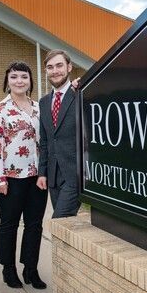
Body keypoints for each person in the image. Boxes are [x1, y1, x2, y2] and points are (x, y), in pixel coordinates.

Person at [0, 61, 47, 289]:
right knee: (9, 224)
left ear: (30, 80)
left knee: (34, 224)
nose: (19, 81)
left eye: (24, 76)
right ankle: (8, 269)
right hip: (10, 178)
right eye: (14, 77)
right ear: (7, 81)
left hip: (37, 177)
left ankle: (31, 269)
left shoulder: (38, 108)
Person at [36, 49, 81, 218]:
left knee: (59, 220)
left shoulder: (81, 93)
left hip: (75, 174)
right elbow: (46, 140)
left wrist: (87, 83)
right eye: (50, 67)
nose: (55, 71)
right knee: (66, 226)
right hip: (53, 176)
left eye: (59, 65)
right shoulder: (44, 102)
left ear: (69, 67)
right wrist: (42, 172)